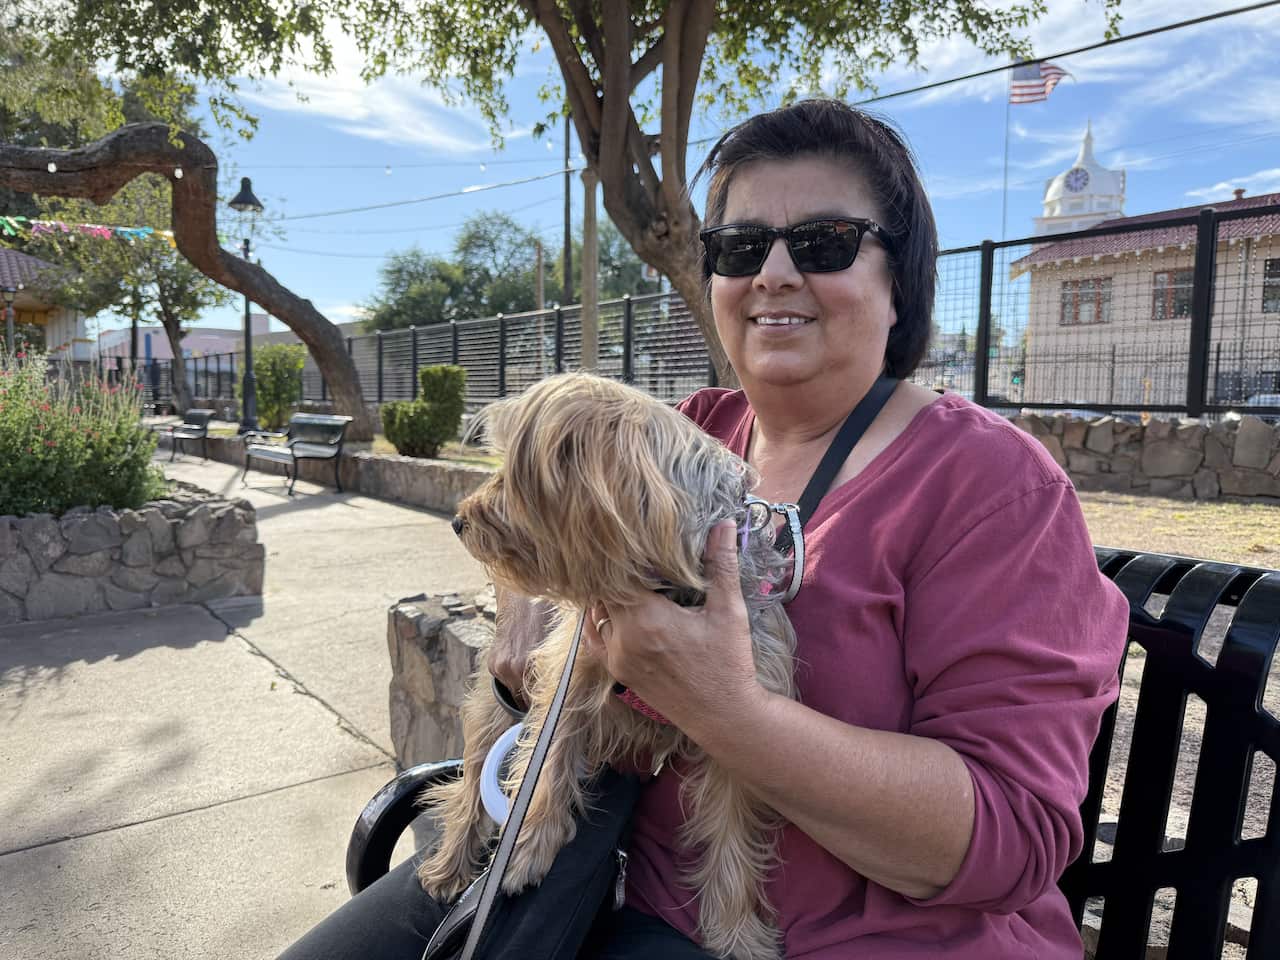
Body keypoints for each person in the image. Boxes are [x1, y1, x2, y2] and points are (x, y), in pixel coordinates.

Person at [277, 99, 1128, 959]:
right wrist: (526, 606)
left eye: (825, 242)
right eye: (740, 248)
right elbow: (542, 503)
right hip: (582, 865)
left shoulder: (993, 486)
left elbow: (1011, 838)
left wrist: (729, 713)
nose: (775, 274)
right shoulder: (693, 427)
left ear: (899, 278)